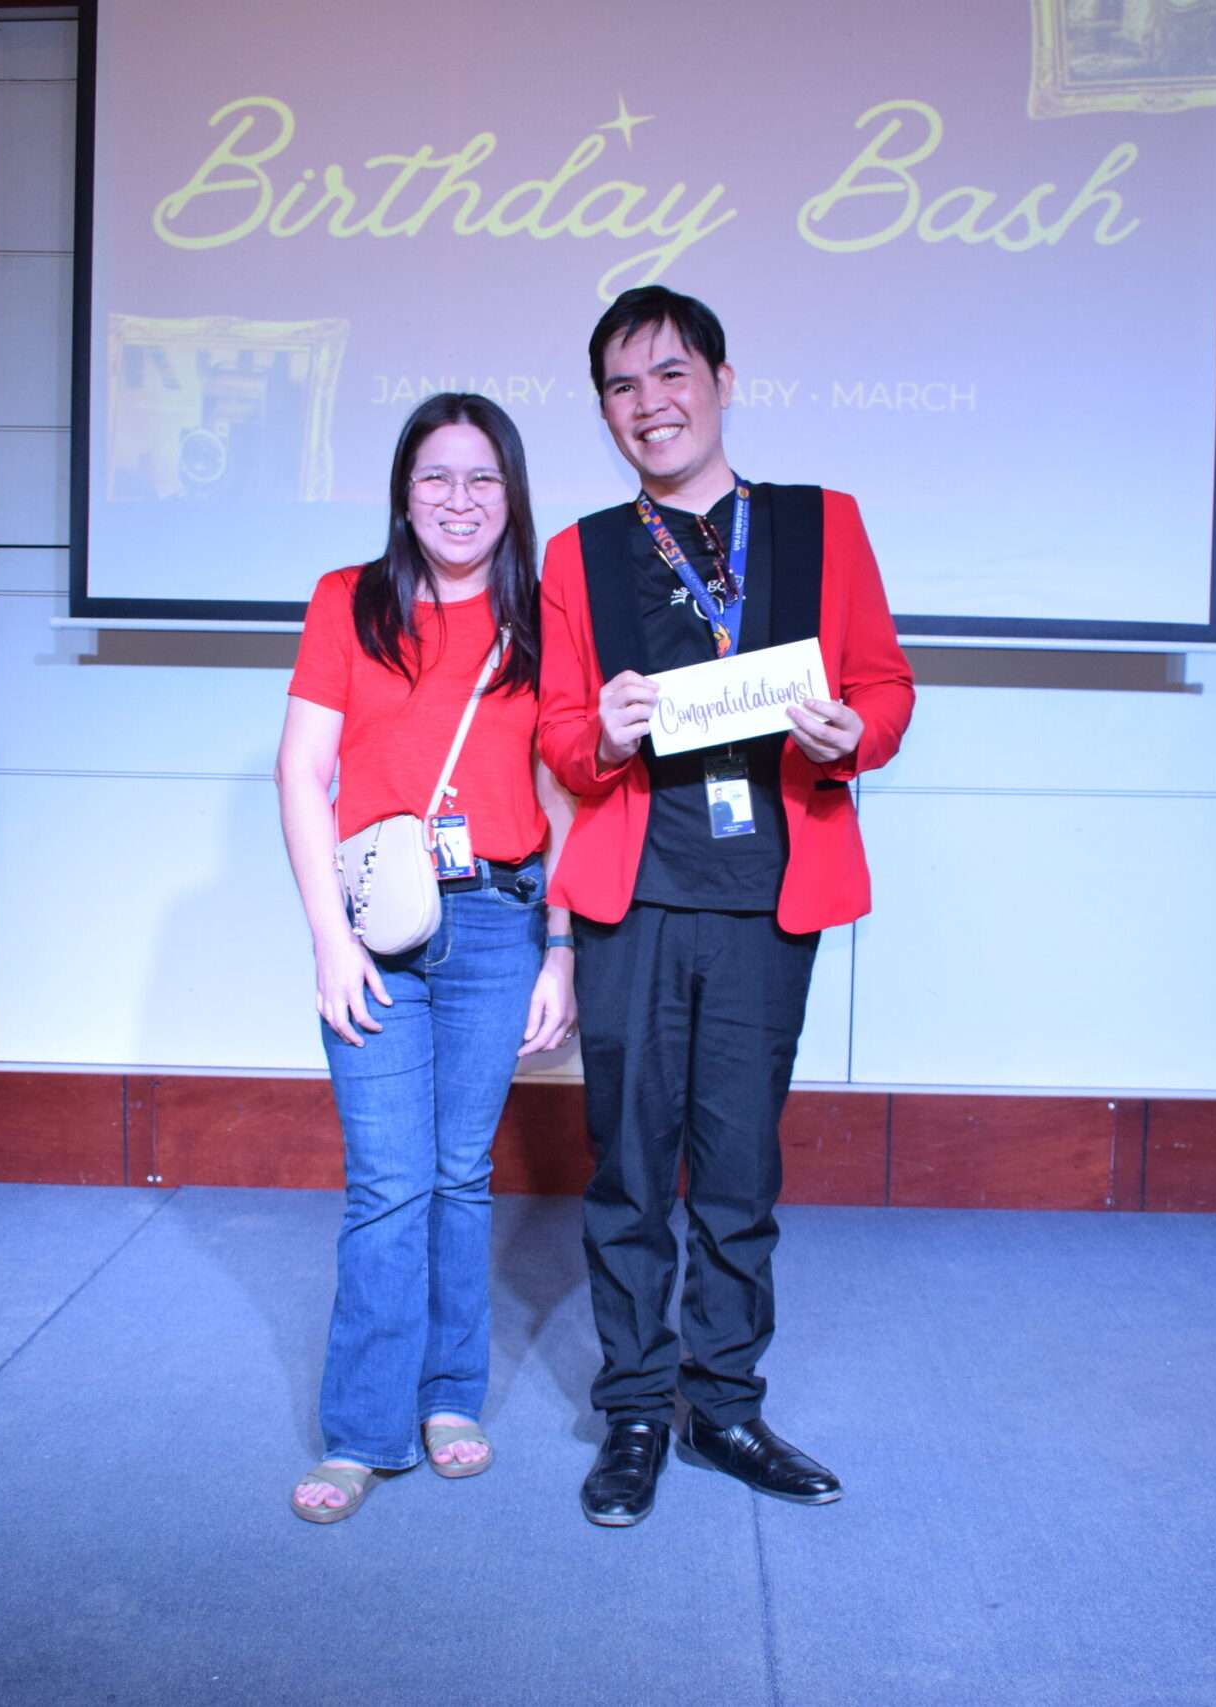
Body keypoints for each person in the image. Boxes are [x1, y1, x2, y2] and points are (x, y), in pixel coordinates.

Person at [537, 286, 914, 1526]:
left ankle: (727, 1406)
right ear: (604, 410)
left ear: (722, 381)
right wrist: (599, 732)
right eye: (622, 385)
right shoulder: (580, 552)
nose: (649, 403)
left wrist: (856, 733)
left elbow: (884, 685)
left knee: (741, 1170)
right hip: (634, 896)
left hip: (770, 892)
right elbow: (557, 736)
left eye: (670, 374)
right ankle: (637, 1411)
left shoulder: (820, 523)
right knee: (631, 1170)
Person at [275, 392, 576, 1523]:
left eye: (483, 477)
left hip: (500, 920)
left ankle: (450, 1395)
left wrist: (562, 953)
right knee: (387, 1182)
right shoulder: (347, 601)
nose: (460, 499)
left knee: (457, 1173)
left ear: (513, 495)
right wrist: (327, 939)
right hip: (377, 926)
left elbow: (562, 794)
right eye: (436, 476)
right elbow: (302, 772)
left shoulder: (542, 619)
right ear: (404, 493)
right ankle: (362, 1429)